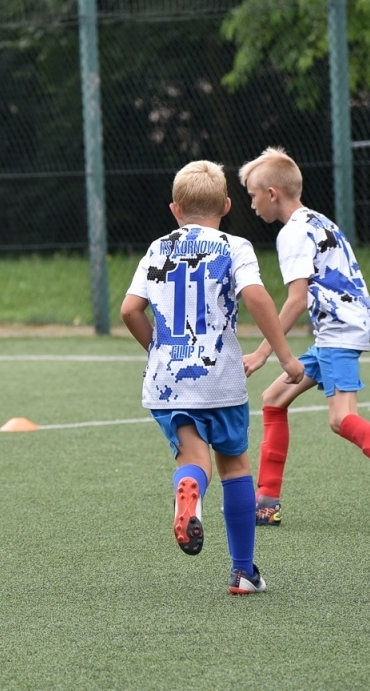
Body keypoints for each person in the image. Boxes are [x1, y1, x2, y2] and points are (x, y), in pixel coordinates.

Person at [120, 160, 306, 595]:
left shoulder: (157, 249)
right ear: (225, 205)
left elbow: (130, 310)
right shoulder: (234, 247)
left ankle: (190, 489)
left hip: (168, 382)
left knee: (193, 460)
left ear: (174, 209)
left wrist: (158, 350)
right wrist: (283, 355)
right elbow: (256, 296)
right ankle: (243, 572)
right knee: (236, 466)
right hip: (219, 378)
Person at [238, 147, 370, 531]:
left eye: (252, 195)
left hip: (339, 328)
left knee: (341, 418)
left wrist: (264, 353)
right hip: (341, 324)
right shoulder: (317, 220)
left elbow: (296, 300)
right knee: (273, 399)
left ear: (272, 194)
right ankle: (266, 502)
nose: (251, 205)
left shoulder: (293, 233)